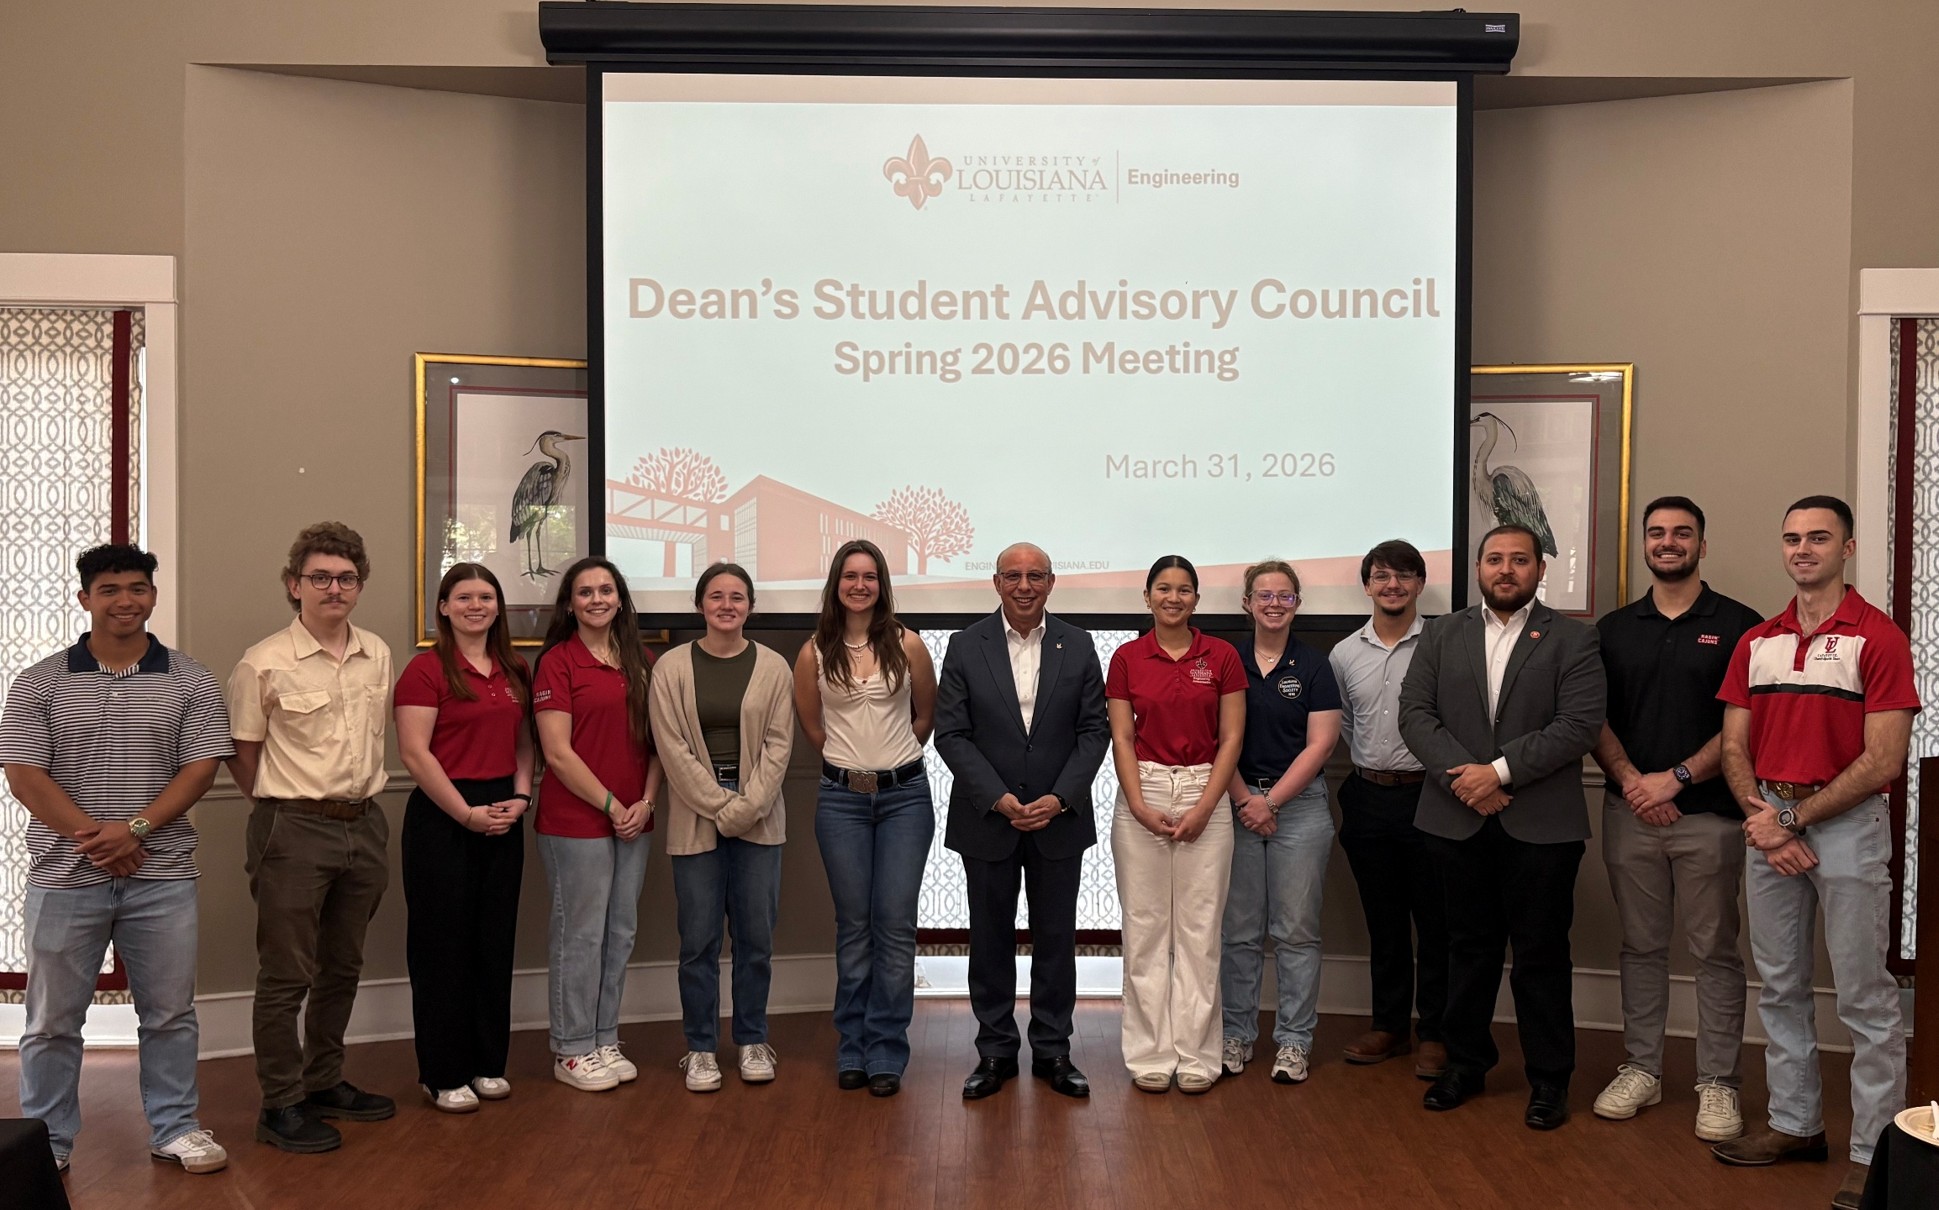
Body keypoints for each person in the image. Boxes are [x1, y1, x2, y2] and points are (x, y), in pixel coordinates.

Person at [0, 545, 234, 1176]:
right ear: (85, 599)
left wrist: (134, 829)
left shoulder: (191, 679)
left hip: (163, 877)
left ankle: (176, 1127)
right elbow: (25, 775)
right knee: (51, 1020)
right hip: (63, 876)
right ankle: (45, 1142)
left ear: (153, 597)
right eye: (109, 589)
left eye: (137, 588)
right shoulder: (41, 680)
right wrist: (98, 839)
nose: (125, 600)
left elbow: (201, 767)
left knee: (169, 1013)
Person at [1712, 495, 1918, 1210]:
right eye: (1791, 539)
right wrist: (1765, 819)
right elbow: (1734, 746)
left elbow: (1882, 759)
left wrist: (1792, 820)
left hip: (1845, 826)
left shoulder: (1878, 638)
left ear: (1847, 548)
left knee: (1864, 998)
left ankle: (1872, 1154)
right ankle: (1794, 1125)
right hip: (1769, 821)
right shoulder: (1756, 641)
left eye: (1818, 538)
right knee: (1781, 987)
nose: (1802, 549)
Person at [1399, 524, 1604, 1130]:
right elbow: (1415, 714)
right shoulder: (1442, 634)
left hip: (1540, 825)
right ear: (1479, 568)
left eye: (1519, 560)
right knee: (1468, 949)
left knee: (1542, 956)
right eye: (1495, 559)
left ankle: (1549, 1081)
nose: (1506, 569)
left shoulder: (1574, 638)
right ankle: (1465, 1065)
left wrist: (1499, 773)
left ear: (1540, 570)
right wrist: (1467, 780)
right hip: (1455, 817)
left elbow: (1580, 724)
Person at [1589, 498, 1761, 1140]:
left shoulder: (1742, 626)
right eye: (1657, 533)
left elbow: (1742, 724)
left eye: (1681, 533)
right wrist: (1635, 782)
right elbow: (1591, 715)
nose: (1668, 543)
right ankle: (1642, 1068)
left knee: (1715, 950)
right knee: (1641, 947)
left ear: (1702, 546)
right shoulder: (1611, 629)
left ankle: (1718, 1084)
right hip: (1629, 813)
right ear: (1644, 545)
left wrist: (1678, 777)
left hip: (1710, 817)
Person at [228, 521, 395, 1153]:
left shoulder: (376, 651)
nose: (334, 588)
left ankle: (324, 1081)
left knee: (342, 965)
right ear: (295, 585)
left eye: (346, 578)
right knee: (286, 974)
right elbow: (243, 755)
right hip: (292, 829)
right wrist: (285, 812)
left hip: (365, 825)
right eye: (320, 577)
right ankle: (281, 1103)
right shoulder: (262, 662)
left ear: (359, 586)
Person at [934, 542, 1110, 1101]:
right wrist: (999, 798)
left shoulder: (1079, 645)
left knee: (1057, 940)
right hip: (989, 819)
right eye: (1014, 576)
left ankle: (1055, 1051)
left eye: (1036, 576)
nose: (1025, 585)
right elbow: (951, 734)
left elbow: (1093, 731)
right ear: (996, 582)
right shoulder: (965, 646)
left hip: (1058, 818)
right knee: (989, 940)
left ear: (1052, 583)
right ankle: (995, 1052)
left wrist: (1059, 798)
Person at [793, 539, 937, 1098]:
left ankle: (885, 1051)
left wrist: (890, 762)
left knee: (895, 928)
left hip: (905, 800)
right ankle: (851, 1046)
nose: (860, 585)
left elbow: (926, 714)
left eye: (870, 576)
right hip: (841, 804)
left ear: (882, 585)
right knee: (854, 930)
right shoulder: (813, 651)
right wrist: (855, 767)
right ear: (836, 583)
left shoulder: (909, 645)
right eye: (850, 576)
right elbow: (813, 727)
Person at [648, 563, 795, 1093]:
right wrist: (720, 806)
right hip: (695, 819)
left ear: (750, 606)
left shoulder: (775, 667)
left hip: (759, 820)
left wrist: (747, 807)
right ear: (699, 605)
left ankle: (753, 1038)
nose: (726, 605)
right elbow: (672, 748)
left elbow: (779, 747)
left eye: (737, 597)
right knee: (699, 941)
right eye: (716, 596)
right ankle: (701, 1048)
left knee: (756, 938)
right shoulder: (670, 667)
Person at [394, 563, 534, 1114]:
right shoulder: (426, 671)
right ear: (444, 608)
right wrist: (466, 815)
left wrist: (520, 798)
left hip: (503, 810)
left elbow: (526, 743)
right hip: (442, 815)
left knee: (493, 943)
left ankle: (485, 1063)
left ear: (498, 606)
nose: (476, 605)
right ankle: (443, 1071)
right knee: (441, 948)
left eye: (486, 596)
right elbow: (414, 754)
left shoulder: (515, 668)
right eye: (463, 597)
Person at [1106, 555, 1246, 1094]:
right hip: (1143, 790)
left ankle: (1196, 1056)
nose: (1173, 598)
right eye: (1163, 588)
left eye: (1184, 589)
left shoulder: (1222, 656)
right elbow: (1121, 737)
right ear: (1147, 597)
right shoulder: (1126, 658)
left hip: (1204, 791)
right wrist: (1138, 805)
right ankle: (1150, 1054)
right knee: (1144, 932)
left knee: (1199, 933)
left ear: (1196, 599)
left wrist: (1206, 807)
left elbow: (1231, 738)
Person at [531, 556, 662, 1093]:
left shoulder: (643, 661)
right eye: (585, 592)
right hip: (575, 822)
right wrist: (613, 806)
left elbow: (660, 745)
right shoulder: (557, 664)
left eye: (606, 590)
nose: (597, 599)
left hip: (636, 819)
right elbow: (557, 754)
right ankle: (572, 1048)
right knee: (580, 934)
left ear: (620, 599)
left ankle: (605, 1036)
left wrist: (647, 803)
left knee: (620, 931)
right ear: (570, 603)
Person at [1219, 559, 1342, 1086]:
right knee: (1239, 932)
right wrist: (1248, 799)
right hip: (1235, 801)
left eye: (1284, 596)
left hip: (1301, 809)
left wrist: (1272, 804)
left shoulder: (1315, 666)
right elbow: (1214, 739)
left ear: (1297, 604)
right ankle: (1237, 1035)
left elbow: (1323, 744)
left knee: (1295, 932)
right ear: (1246, 603)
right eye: (1263, 595)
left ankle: (1293, 1042)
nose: (1274, 603)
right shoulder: (1224, 662)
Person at [1329, 540, 1448, 1080]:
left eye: (1403, 575)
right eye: (1382, 576)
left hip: (1432, 796)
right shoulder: (1344, 653)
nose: (1392, 585)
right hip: (1369, 795)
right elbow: (1346, 725)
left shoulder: (1444, 643)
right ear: (1368, 585)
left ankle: (1437, 1033)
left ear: (1420, 583)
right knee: (1385, 921)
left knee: (1437, 920)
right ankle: (1390, 1025)